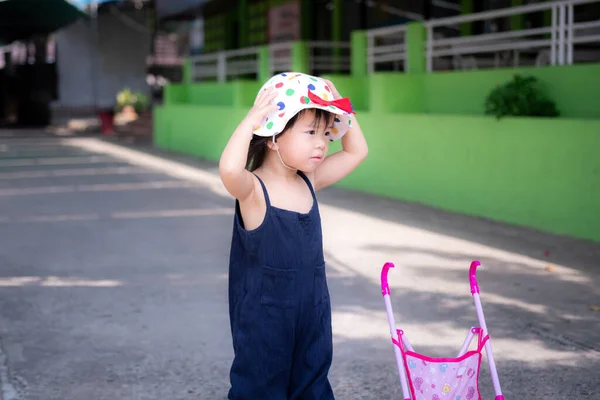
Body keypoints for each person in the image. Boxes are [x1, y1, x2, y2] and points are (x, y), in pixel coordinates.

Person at [219, 72, 368, 400]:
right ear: (273, 136)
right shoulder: (254, 191)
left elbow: (357, 152)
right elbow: (230, 170)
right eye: (311, 132)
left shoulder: (308, 181)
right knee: (260, 388)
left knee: (313, 385)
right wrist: (250, 121)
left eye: (327, 133)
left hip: (313, 313)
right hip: (265, 321)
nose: (322, 142)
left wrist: (340, 104)